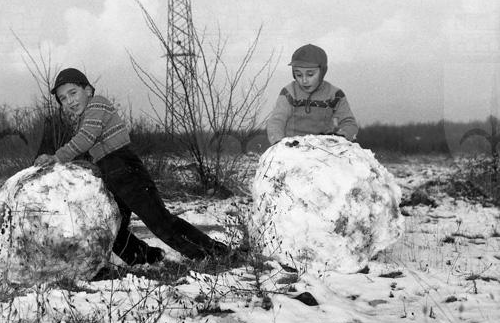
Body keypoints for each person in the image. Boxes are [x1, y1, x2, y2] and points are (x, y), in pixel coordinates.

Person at [34, 68, 230, 266]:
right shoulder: (84, 118)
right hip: (111, 174)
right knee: (110, 227)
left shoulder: (97, 104)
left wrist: (56, 158)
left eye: (73, 93)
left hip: (125, 168)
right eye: (63, 98)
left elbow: (86, 138)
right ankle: (146, 258)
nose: (69, 101)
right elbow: (90, 147)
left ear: (88, 90)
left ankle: (212, 254)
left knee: (159, 221)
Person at [266, 44, 358, 145]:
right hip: (293, 147)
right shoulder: (289, 93)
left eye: (310, 74)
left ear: (322, 72)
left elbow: (349, 122)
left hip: (324, 148)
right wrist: (279, 142)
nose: (304, 80)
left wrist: (340, 138)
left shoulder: (335, 95)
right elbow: (276, 121)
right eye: (299, 75)